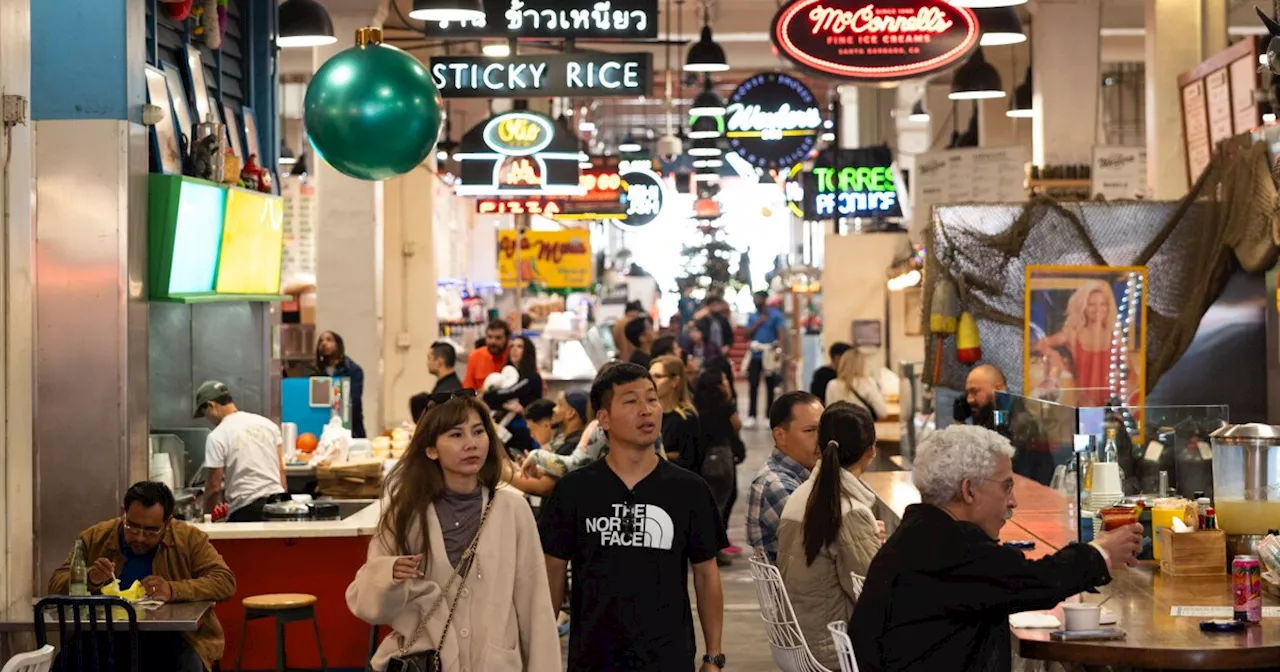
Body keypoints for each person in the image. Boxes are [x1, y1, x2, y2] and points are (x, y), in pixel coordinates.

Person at [851, 425, 1144, 672]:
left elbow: (1008, 575)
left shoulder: (922, 533)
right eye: (1006, 486)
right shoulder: (950, 549)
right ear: (968, 490)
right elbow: (1035, 581)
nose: (1013, 501)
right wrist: (1101, 552)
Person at [346, 392, 561, 672]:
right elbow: (365, 604)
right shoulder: (405, 512)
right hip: (427, 662)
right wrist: (388, 575)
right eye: (456, 435)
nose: (471, 444)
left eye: (478, 431)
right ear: (431, 449)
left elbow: (536, 608)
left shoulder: (513, 509)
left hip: (496, 663)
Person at [540, 363, 728, 672]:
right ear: (604, 418)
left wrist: (714, 657)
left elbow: (706, 574)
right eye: (630, 401)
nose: (647, 410)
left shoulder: (689, 490)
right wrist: (542, 649)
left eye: (651, 399)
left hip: (668, 659)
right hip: (593, 659)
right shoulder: (574, 490)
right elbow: (553, 572)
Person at [50, 482, 236, 672]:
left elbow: (224, 580)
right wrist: (89, 578)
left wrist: (173, 590)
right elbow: (56, 584)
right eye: (132, 526)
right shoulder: (95, 537)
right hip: (104, 636)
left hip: (176, 637)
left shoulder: (189, 539)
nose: (139, 537)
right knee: (67, 661)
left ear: (168, 522)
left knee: (185, 664)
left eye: (151, 530)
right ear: (123, 512)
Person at [777, 403, 882, 669]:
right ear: (871, 451)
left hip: (800, 639)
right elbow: (874, 595)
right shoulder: (848, 510)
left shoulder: (802, 495)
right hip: (835, 649)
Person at [195, 381, 288, 522]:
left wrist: (205, 519)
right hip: (278, 505)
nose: (208, 419)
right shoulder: (268, 425)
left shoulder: (217, 435)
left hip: (247, 510)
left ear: (211, 405)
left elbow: (214, 487)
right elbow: (281, 471)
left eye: (205, 414)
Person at [747, 391, 822, 563]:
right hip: (798, 588)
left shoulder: (808, 473)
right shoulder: (776, 484)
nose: (821, 439)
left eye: (822, 429)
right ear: (780, 436)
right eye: (810, 430)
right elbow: (824, 546)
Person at [1034, 281, 1119, 406]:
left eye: (1102, 304)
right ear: (1084, 307)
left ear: (1108, 307)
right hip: (1083, 400)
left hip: (1110, 401)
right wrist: (1054, 356)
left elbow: (1130, 374)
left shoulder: (1114, 336)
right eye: (1091, 304)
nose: (1098, 309)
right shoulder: (1073, 334)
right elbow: (1040, 344)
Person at [692, 367, 742, 565]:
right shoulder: (724, 404)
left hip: (704, 456)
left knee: (710, 502)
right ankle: (714, 549)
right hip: (721, 455)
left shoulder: (696, 403)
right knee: (721, 501)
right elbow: (737, 425)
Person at [651, 355, 702, 473]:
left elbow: (688, 461)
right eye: (650, 376)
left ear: (675, 381)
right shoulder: (649, 414)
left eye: (658, 376)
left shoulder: (685, 417)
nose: (651, 381)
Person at [313, 330, 366, 438]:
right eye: (321, 341)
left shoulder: (353, 371)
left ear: (338, 345)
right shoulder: (316, 372)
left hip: (350, 426)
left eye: (329, 340)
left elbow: (354, 401)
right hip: (323, 424)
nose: (324, 343)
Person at [744, 291, 785, 428]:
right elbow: (746, 334)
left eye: (759, 298)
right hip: (755, 355)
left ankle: (769, 415)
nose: (756, 301)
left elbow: (780, 335)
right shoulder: (752, 316)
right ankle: (752, 415)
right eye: (754, 298)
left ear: (765, 299)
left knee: (770, 386)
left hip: (769, 355)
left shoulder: (775, 315)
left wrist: (778, 349)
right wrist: (758, 323)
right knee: (753, 385)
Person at [825, 347, 890, 420]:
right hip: (862, 428)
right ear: (862, 365)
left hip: (838, 429)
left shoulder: (832, 384)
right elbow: (882, 412)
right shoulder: (868, 383)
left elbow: (828, 415)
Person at [483, 335, 544, 411]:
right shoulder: (509, 374)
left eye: (520, 346)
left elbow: (510, 392)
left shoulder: (532, 377)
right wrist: (504, 405)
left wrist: (487, 395)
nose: (514, 349)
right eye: (512, 346)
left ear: (527, 352)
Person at [955, 363, 1007, 430]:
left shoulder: (1016, 423)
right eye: (967, 393)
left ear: (999, 389)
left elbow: (1000, 436)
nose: (969, 400)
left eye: (975, 392)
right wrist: (959, 421)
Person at [463, 319, 511, 390]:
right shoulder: (475, 356)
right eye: (489, 337)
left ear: (507, 339)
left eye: (498, 338)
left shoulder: (513, 355)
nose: (493, 341)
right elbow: (468, 389)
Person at [552, 390, 590, 456]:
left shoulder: (572, 447)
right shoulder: (575, 442)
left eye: (560, 404)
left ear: (570, 413)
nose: (554, 409)